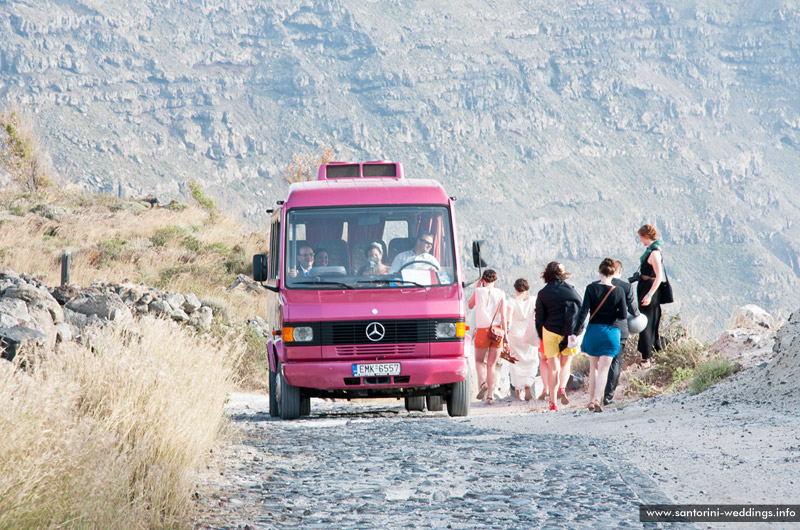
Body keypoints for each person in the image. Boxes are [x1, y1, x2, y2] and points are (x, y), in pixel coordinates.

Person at [574, 258, 627, 412]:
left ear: (599, 271)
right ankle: (598, 399)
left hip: (594, 331)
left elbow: (583, 312)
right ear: (614, 273)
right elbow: (623, 315)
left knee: (593, 368)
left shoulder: (591, 288)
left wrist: (575, 332)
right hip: (611, 332)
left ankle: (590, 401)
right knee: (604, 369)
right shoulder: (619, 291)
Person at [535, 261, 582, 411]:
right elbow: (580, 309)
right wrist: (576, 331)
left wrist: (541, 335)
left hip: (550, 331)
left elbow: (539, 318)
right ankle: (562, 387)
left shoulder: (542, 293)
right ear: (562, 274)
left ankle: (553, 402)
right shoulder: (571, 290)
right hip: (568, 333)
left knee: (553, 367)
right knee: (565, 364)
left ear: (547, 274)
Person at [603, 259, 641, 405]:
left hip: (600, 327)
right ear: (619, 271)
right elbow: (632, 309)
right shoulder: (626, 286)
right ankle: (608, 396)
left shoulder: (597, 285)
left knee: (599, 362)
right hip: (619, 329)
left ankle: (595, 395)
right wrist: (639, 316)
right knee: (616, 362)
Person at [468, 269, 507, 405]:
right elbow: (503, 316)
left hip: (482, 330)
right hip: (498, 332)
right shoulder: (501, 293)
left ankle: (483, 383)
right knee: (492, 365)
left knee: (479, 361)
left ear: (483, 280)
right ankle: (490, 396)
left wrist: (478, 286)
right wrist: (506, 336)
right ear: (495, 281)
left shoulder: (478, 291)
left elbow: (470, 305)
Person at [634, 224, 667, 366]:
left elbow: (658, 276)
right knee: (649, 320)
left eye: (641, 237)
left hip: (650, 289)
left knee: (646, 321)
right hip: (646, 286)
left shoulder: (654, 253)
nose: (640, 240)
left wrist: (649, 294)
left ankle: (646, 356)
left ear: (646, 237)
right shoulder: (652, 250)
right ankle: (651, 351)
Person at [506, 278, 537, 401]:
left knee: (516, 363)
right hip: (529, 334)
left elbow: (508, 320)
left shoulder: (511, 301)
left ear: (515, 289)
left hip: (515, 335)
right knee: (531, 360)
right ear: (527, 288)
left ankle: (518, 392)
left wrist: (505, 334)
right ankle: (528, 384)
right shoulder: (534, 300)